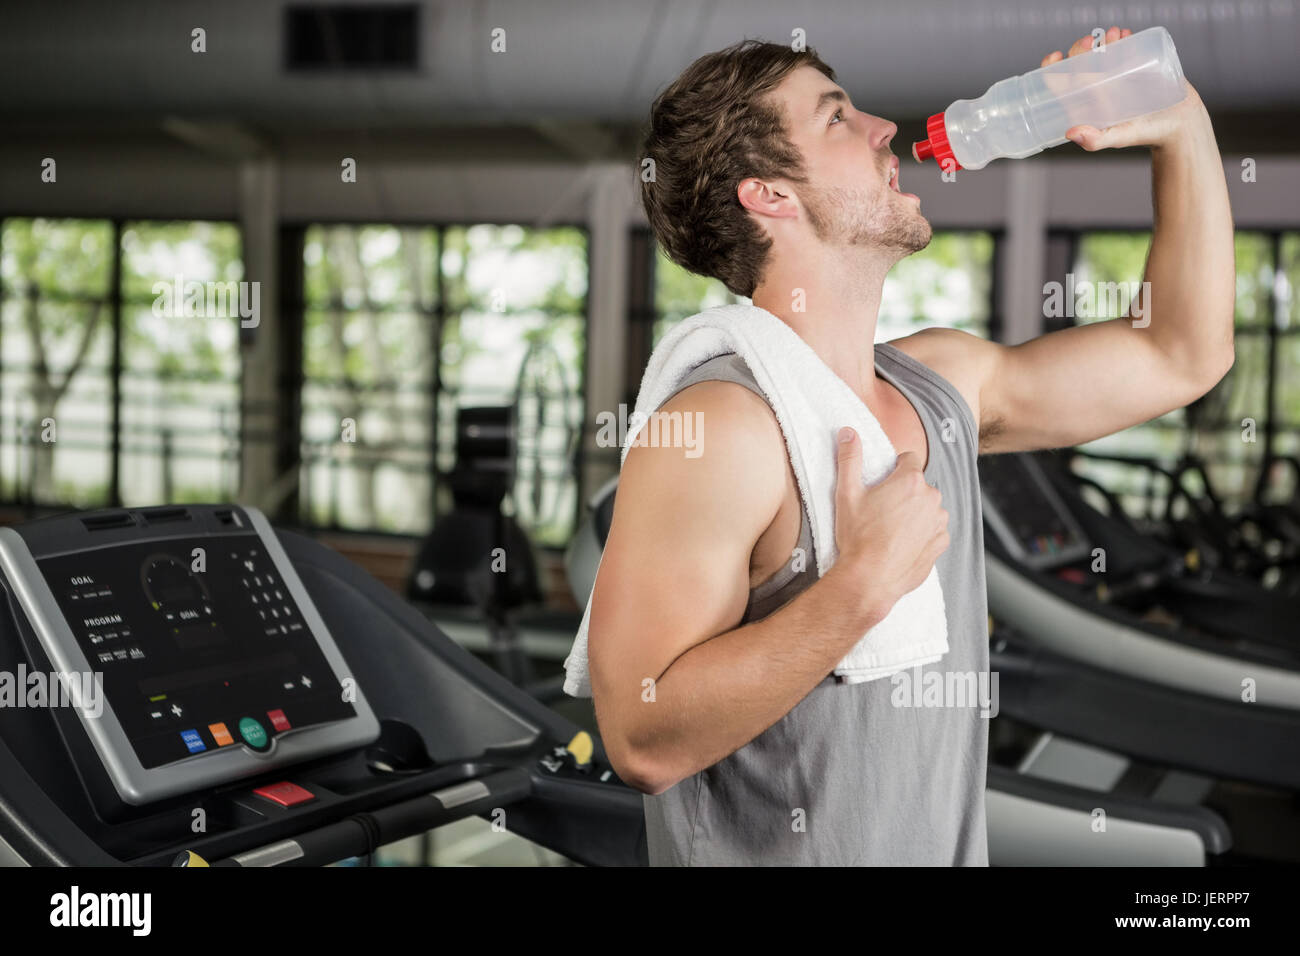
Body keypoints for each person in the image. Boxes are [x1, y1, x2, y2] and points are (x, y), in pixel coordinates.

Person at [587, 27, 1235, 865]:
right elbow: (641, 739)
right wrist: (861, 585)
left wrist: (1181, 126)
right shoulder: (723, 428)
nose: (883, 128)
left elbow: (1181, 352)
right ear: (770, 195)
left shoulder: (944, 382)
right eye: (837, 118)